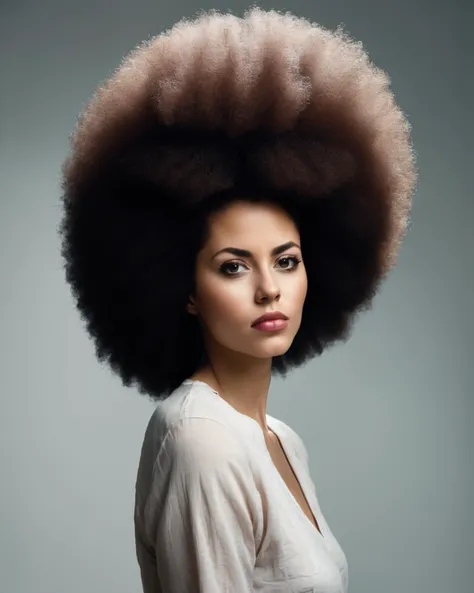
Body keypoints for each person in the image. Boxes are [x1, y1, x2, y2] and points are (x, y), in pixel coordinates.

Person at [58, 7, 417, 593]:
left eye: (286, 259)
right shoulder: (203, 440)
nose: (268, 287)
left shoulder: (279, 439)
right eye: (232, 266)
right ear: (186, 289)